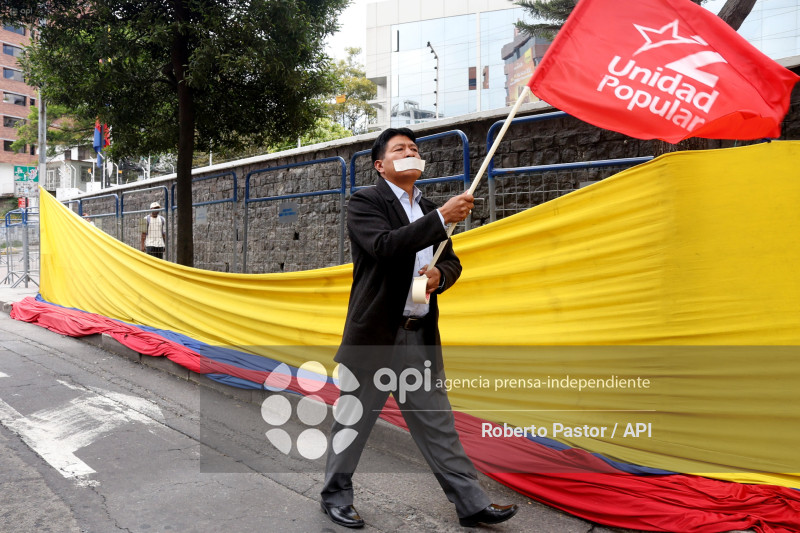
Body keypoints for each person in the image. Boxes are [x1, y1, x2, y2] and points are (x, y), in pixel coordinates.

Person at [320, 128, 518, 529]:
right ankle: (335, 495)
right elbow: (385, 246)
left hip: (418, 333)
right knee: (354, 421)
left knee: (437, 423)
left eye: (414, 148)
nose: (410, 153)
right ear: (380, 164)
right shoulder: (365, 201)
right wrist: (442, 217)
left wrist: (438, 277)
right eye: (399, 149)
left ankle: (471, 503)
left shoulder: (426, 206)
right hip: (376, 335)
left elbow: (453, 262)